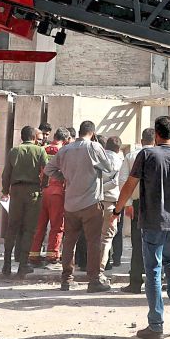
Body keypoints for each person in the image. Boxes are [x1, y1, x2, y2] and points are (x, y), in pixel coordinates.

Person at [111, 115, 170, 339]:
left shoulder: (147, 155)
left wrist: (117, 210)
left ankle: (156, 324)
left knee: (153, 270)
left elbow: (129, 185)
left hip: (152, 221)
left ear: (157, 133)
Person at [49, 121, 117, 292]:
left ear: (79, 132)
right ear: (93, 133)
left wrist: (64, 176)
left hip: (70, 203)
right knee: (93, 242)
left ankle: (67, 279)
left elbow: (49, 170)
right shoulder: (94, 147)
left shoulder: (65, 149)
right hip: (91, 203)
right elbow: (108, 168)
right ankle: (93, 281)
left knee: (69, 241)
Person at [1, 126, 48, 277]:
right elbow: (46, 171)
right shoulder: (40, 151)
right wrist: (43, 185)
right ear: (34, 137)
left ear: (22, 137)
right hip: (33, 192)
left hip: (16, 192)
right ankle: (23, 264)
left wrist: (5, 191)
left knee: (12, 227)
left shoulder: (14, 151)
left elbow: (6, 174)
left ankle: (6, 264)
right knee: (29, 229)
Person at [120, 128, 155, 292]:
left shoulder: (131, 156)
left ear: (142, 140)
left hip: (137, 204)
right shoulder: (160, 155)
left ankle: (135, 282)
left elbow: (123, 181)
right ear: (155, 140)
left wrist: (127, 203)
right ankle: (153, 282)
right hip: (156, 205)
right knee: (156, 243)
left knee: (137, 243)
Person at [30, 128, 70, 264]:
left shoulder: (43, 148)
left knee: (39, 224)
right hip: (57, 192)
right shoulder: (64, 152)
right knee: (57, 225)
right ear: (65, 140)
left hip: (42, 191)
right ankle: (52, 254)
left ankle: (34, 254)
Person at [100, 136, 125, 274]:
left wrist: (98, 189)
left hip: (97, 200)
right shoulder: (120, 161)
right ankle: (107, 264)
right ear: (119, 148)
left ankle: (97, 265)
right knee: (110, 235)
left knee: (97, 235)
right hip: (113, 201)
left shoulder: (99, 159)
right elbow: (116, 182)